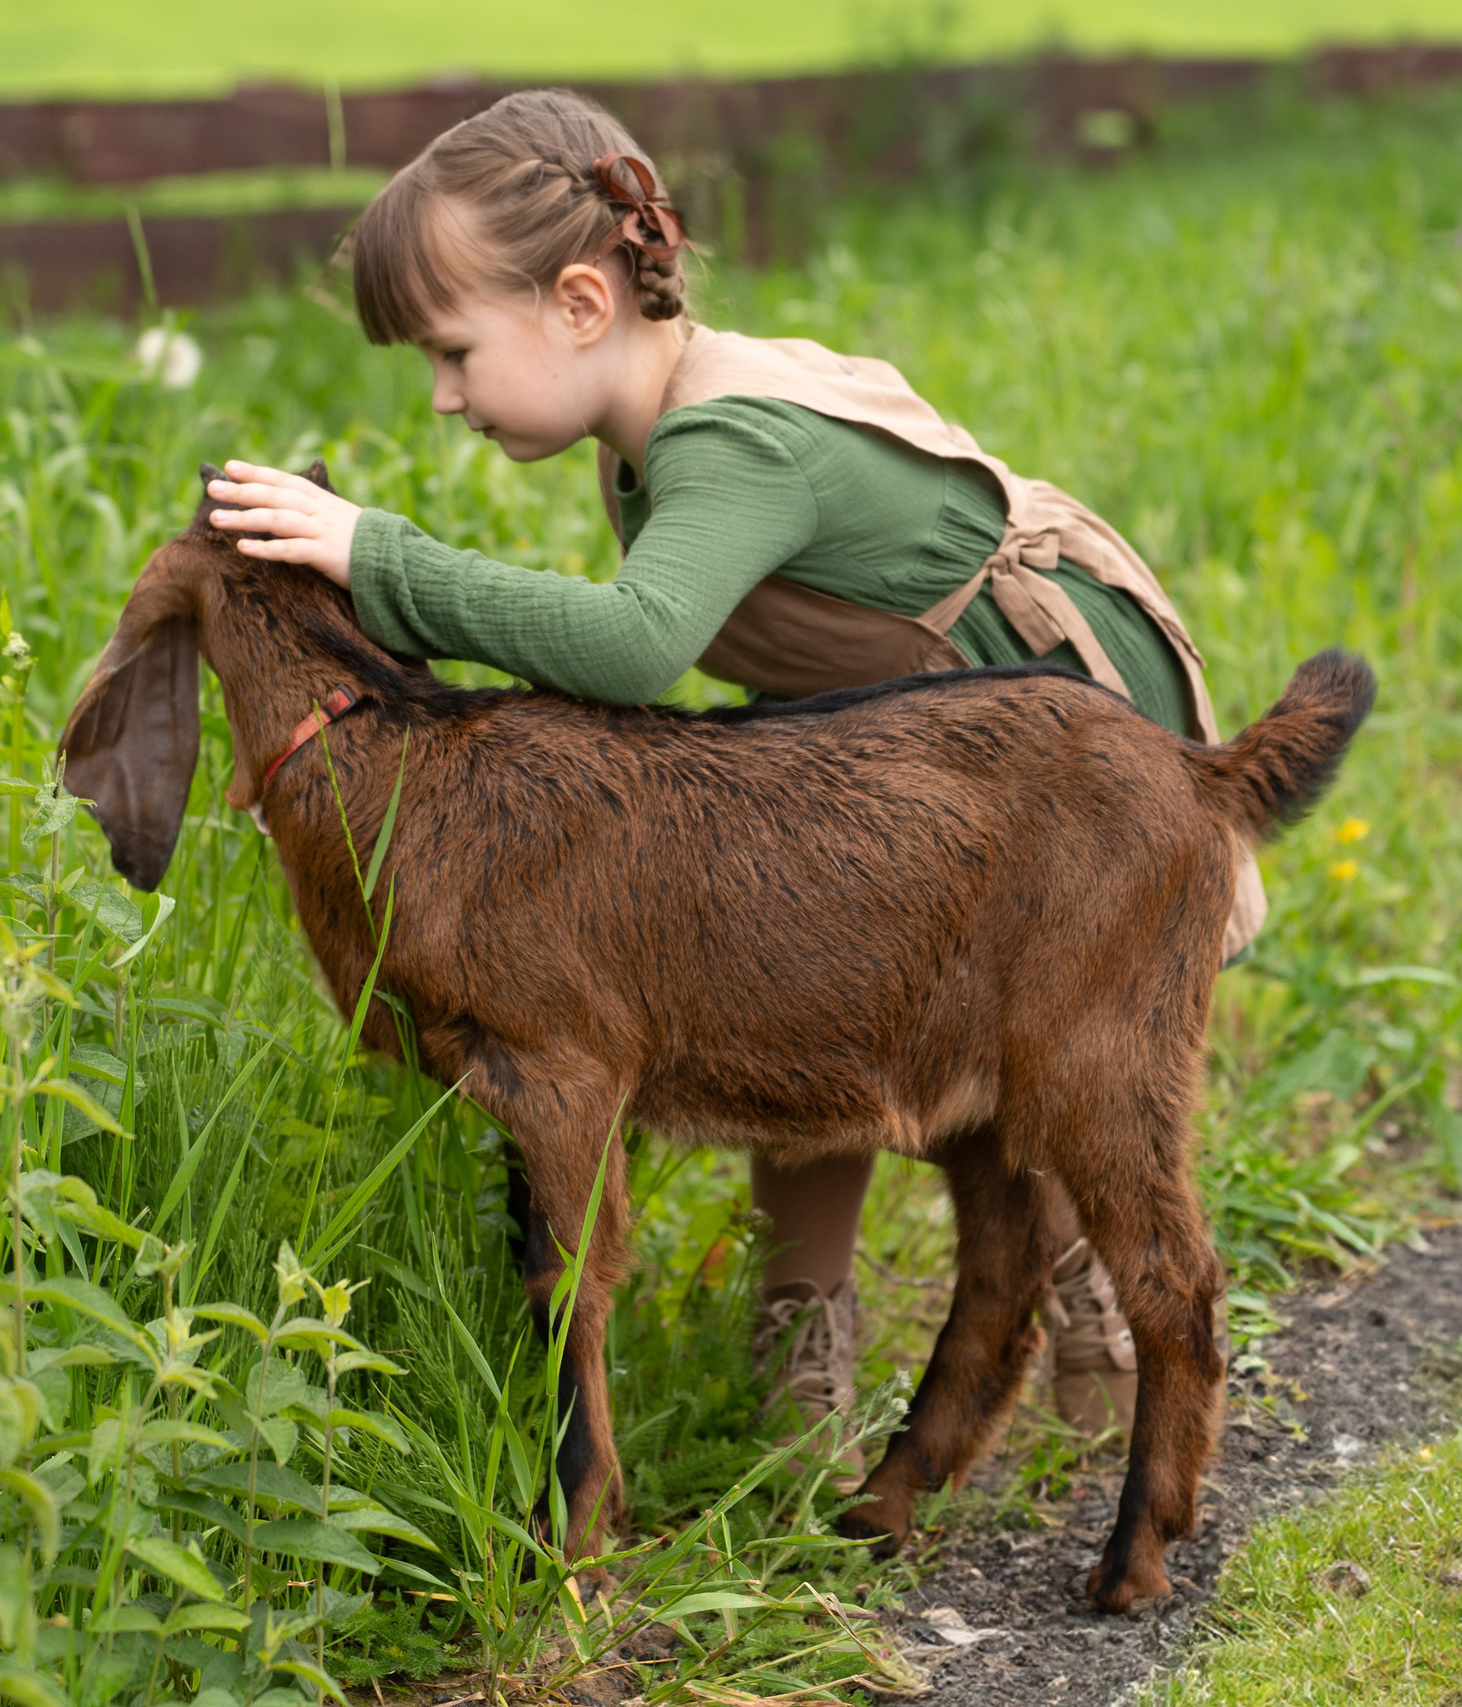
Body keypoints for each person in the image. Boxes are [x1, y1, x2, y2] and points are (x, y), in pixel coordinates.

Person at [201, 90, 1264, 1439]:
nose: (444, 395)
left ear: (580, 303)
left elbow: (636, 643)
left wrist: (380, 559)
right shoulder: (653, 431)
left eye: (454, 352)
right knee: (791, 988)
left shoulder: (721, 439)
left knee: (1030, 1038)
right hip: (882, 725)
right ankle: (808, 1312)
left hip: (1034, 739)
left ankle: (1084, 1279)